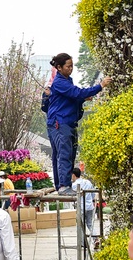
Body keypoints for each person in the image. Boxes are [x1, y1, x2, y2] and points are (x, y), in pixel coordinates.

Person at [46, 53, 111, 194]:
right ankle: (63, 186)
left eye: (72, 66)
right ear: (59, 67)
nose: (71, 69)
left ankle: (61, 185)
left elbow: (73, 97)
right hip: (59, 122)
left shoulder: (67, 81)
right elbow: (77, 93)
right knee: (64, 154)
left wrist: (82, 99)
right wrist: (100, 86)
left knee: (64, 154)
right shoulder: (60, 82)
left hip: (65, 122)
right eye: (68, 66)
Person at [71, 167, 96, 244]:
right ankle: (96, 239)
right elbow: (93, 194)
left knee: (81, 225)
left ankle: (82, 242)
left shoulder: (74, 185)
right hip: (90, 206)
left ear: (74, 175)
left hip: (81, 207)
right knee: (90, 224)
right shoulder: (87, 182)